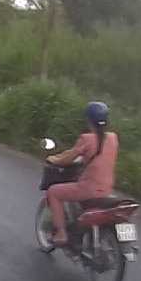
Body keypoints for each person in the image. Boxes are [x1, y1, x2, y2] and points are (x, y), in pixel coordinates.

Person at [44, 101, 119, 246]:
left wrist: (52, 159)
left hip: (89, 189)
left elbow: (68, 158)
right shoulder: (113, 138)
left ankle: (61, 233)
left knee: (53, 192)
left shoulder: (87, 139)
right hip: (107, 189)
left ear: (88, 120)